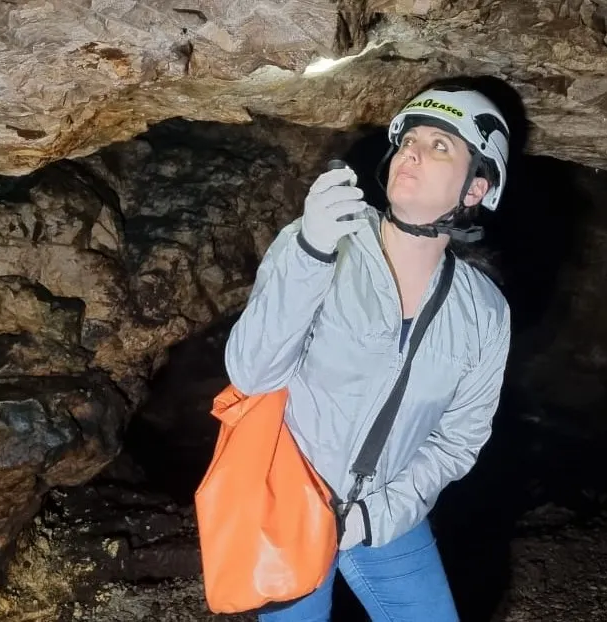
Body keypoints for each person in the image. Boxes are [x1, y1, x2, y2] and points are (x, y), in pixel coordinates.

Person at [224, 86, 513, 622]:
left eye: (440, 145)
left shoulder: (484, 311)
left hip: (388, 514)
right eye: (409, 141)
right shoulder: (324, 242)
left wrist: (376, 518)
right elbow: (250, 371)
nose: (413, 153)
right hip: (293, 503)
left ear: (476, 188)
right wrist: (310, 251)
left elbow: (459, 439)